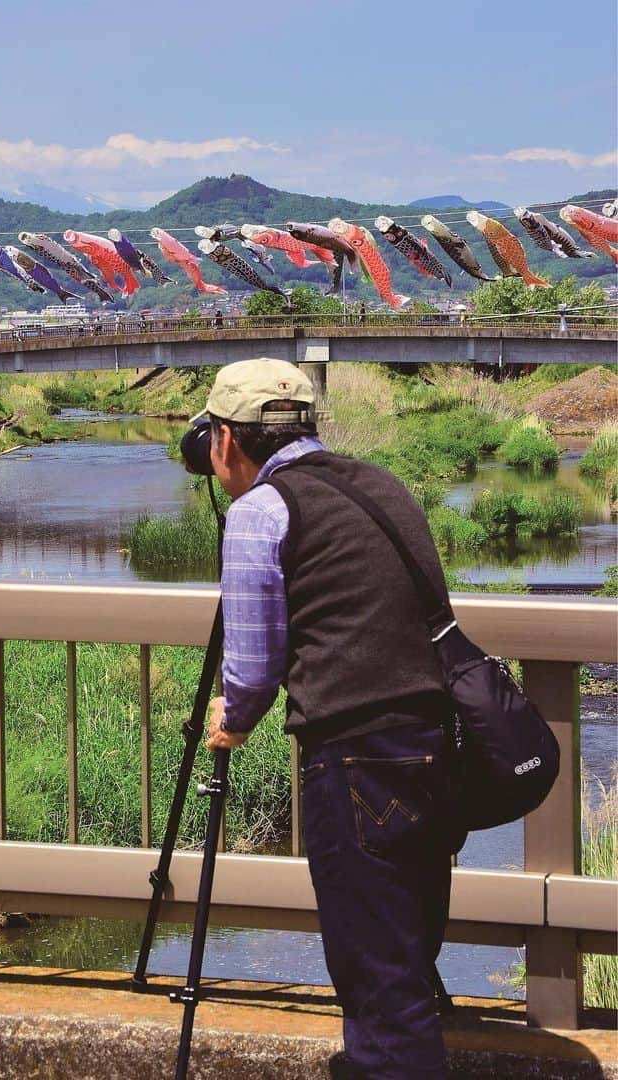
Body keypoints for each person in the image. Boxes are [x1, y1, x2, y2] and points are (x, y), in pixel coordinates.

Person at [197, 358, 465, 1080]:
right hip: (436, 753)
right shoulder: (381, 484)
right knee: (406, 957)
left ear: (224, 441)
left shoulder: (260, 512)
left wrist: (235, 723)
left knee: (381, 990)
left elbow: (251, 670)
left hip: (356, 765)